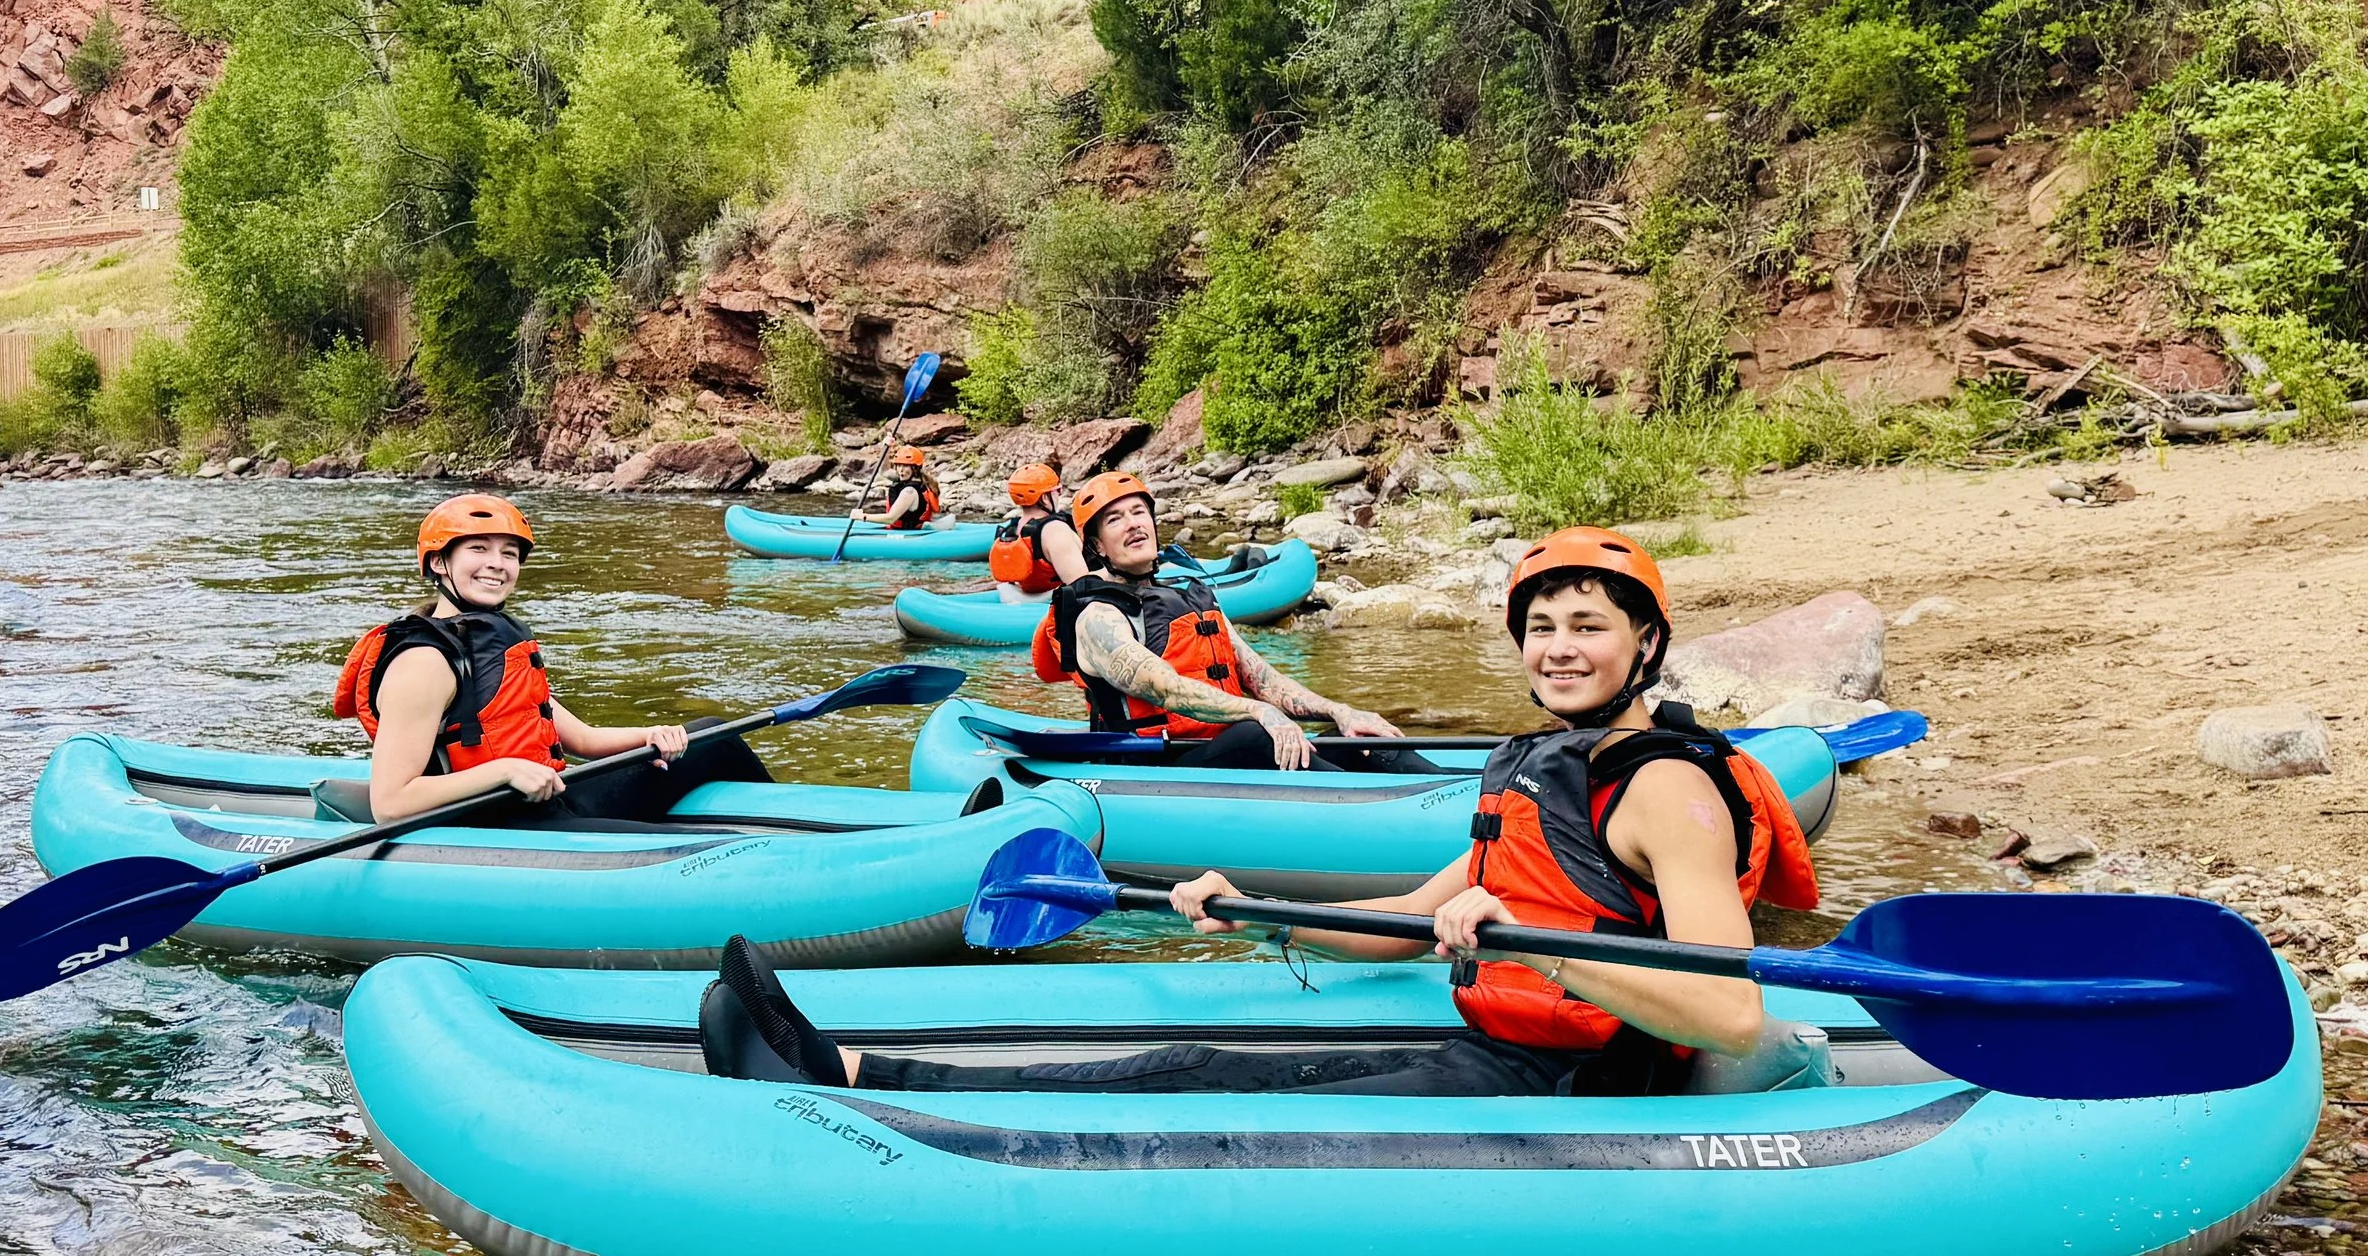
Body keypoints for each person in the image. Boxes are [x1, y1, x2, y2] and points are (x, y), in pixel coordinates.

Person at [712, 528, 1826, 1098]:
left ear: (1645, 644)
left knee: (1188, 1077)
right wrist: (1259, 910)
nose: (1559, 647)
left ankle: (852, 1082)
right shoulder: (1544, 762)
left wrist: (1550, 956)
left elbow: (1726, 1015)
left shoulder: (1671, 789)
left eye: (1588, 625)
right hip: (1502, 1046)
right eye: (1541, 627)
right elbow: (1407, 909)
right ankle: (844, 1069)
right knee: (1189, 1058)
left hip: (1579, 1083)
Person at [334, 494, 770, 826]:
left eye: (508, 552)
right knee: (695, 849)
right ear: (439, 563)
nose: (497, 564)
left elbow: (581, 739)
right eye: (478, 549)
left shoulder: (490, 642)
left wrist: (652, 734)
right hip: (504, 826)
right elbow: (390, 803)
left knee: (712, 736)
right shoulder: (423, 664)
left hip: (550, 799)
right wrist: (505, 770)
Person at [1027, 471, 1408, 769]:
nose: (1132, 524)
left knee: (1359, 743)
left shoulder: (1190, 595)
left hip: (1225, 750)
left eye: (1138, 512)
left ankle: (1450, 801)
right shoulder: (1097, 616)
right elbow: (1167, 690)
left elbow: (1265, 681)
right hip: (1157, 766)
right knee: (1253, 734)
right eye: (1115, 519)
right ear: (1096, 546)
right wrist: (1259, 712)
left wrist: (1341, 711)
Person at [989, 462, 1088, 602]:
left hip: (1028, 598)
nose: (1059, 495)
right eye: (1058, 491)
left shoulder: (1011, 530)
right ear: (1044, 498)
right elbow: (1082, 585)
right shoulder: (1055, 531)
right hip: (1054, 603)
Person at [860, 447, 942, 529]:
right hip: (903, 530)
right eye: (898, 465)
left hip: (909, 535)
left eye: (905, 466)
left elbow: (890, 519)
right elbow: (884, 471)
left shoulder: (909, 492)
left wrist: (862, 517)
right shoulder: (911, 479)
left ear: (915, 468)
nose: (901, 470)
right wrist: (887, 448)